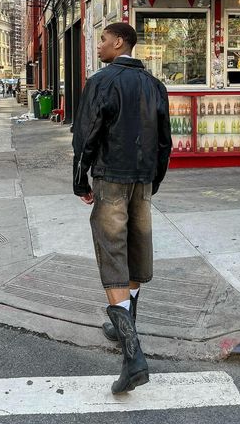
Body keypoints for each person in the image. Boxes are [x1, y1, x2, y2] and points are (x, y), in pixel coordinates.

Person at [72, 22, 172, 395]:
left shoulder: (102, 81)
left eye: (102, 39)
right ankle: (121, 325)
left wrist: (80, 180)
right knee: (135, 251)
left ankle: (133, 358)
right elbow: (166, 141)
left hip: (111, 179)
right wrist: (154, 180)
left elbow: (86, 135)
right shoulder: (154, 85)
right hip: (143, 180)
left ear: (119, 42)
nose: (99, 45)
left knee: (112, 254)